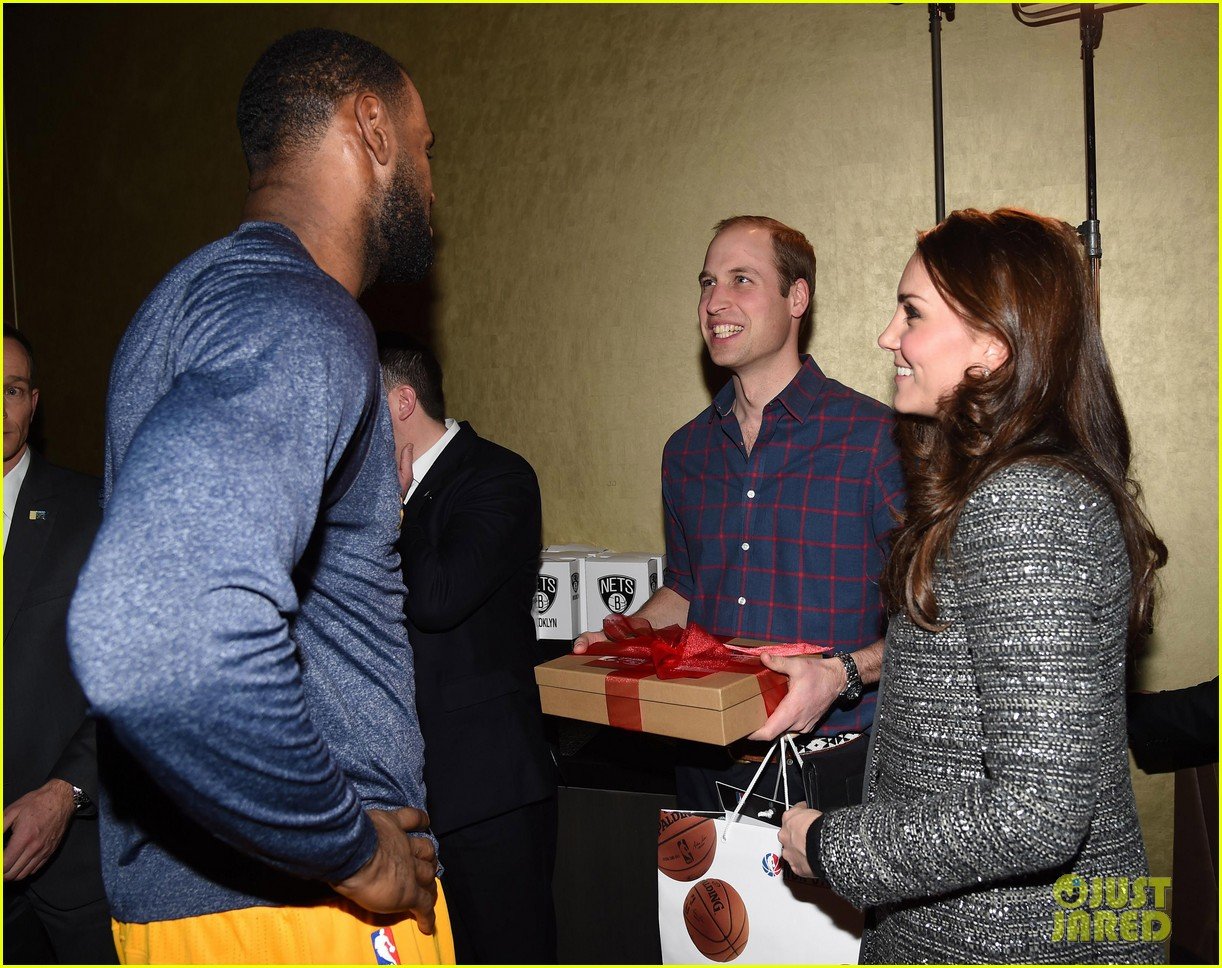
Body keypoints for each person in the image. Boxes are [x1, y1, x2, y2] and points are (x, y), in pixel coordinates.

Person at [67, 29, 453, 964]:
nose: (436, 183)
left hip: (195, 903)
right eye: (427, 145)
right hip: (296, 916)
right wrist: (355, 855)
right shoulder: (300, 315)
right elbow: (157, 626)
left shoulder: (184, 302)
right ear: (371, 128)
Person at [778, 208, 1168, 963]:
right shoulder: (1028, 484)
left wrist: (832, 844)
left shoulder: (1025, 503)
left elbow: (1039, 811)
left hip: (1009, 939)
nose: (888, 336)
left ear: (992, 344)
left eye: (912, 313)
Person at [575, 215, 904, 809]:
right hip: (706, 756)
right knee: (707, 910)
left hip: (841, 769)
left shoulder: (876, 440)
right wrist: (623, 641)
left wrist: (842, 674)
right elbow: (687, 588)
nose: (715, 300)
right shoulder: (686, 451)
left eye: (741, 279)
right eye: (707, 282)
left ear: (796, 296)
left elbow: (937, 621)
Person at [382, 338, 558, 964]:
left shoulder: (497, 474)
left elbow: (438, 598)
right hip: (396, 791)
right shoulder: (360, 498)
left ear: (402, 401)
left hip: (487, 788)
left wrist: (394, 508)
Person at [3, 327, 115, 965]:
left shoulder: (92, 511)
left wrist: (65, 793)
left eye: (11, 391)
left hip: (71, 876)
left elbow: (135, 681)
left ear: (34, 403)